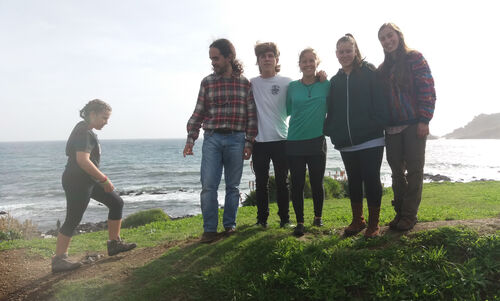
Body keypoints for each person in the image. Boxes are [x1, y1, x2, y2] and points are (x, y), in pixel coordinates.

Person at [183, 38, 257, 243]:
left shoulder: (244, 83)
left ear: (229, 57)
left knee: (232, 187)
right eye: (211, 59)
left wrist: (249, 143)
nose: (213, 62)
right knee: (208, 186)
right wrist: (191, 139)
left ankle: (229, 226)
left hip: (236, 139)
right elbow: (198, 113)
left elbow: (251, 116)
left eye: (216, 58)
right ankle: (209, 230)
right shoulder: (207, 82)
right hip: (212, 139)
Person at [52, 99, 136, 273]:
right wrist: (104, 179)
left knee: (116, 203)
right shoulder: (84, 132)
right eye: (104, 117)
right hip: (77, 181)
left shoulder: (84, 128)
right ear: (92, 114)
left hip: (87, 179)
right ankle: (59, 259)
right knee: (73, 218)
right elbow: (82, 160)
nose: (106, 122)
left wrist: (98, 179)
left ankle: (114, 244)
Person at [324, 34, 388, 238]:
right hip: (346, 141)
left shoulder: (369, 72)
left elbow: (381, 98)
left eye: (348, 50)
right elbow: (331, 110)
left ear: (355, 51)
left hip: (371, 138)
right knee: (353, 180)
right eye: (341, 51)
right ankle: (358, 220)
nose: (345, 55)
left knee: (371, 179)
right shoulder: (334, 81)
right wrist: (332, 131)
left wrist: (377, 122)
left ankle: (374, 224)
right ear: (336, 54)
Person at [377, 23, 436, 231]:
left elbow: (427, 89)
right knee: (396, 173)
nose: (387, 41)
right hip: (392, 128)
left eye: (389, 36)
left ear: (398, 36)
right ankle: (400, 212)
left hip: (414, 125)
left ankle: (410, 215)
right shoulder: (382, 69)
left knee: (414, 171)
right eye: (382, 38)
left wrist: (424, 120)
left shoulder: (415, 58)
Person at [286, 48, 330, 236]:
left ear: (317, 63)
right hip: (295, 140)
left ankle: (318, 218)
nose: (308, 64)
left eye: (311, 60)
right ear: (299, 64)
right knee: (297, 184)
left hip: (317, 140)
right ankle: (300, 222)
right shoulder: (293, 87)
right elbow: (288, 110)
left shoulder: (325, 84)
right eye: (304, 61)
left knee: (316, 182)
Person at [250, 42, 292, 228]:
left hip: (282, 139)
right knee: (261, 183)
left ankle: (285, 219)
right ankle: (262, 220)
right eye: (263, 56)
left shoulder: (287, 82)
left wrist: (320, 77)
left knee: (283, 183)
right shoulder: (251, 83)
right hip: (259, 142)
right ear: (258, 60)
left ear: (276, 59)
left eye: (270, 55)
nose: (267, 59)